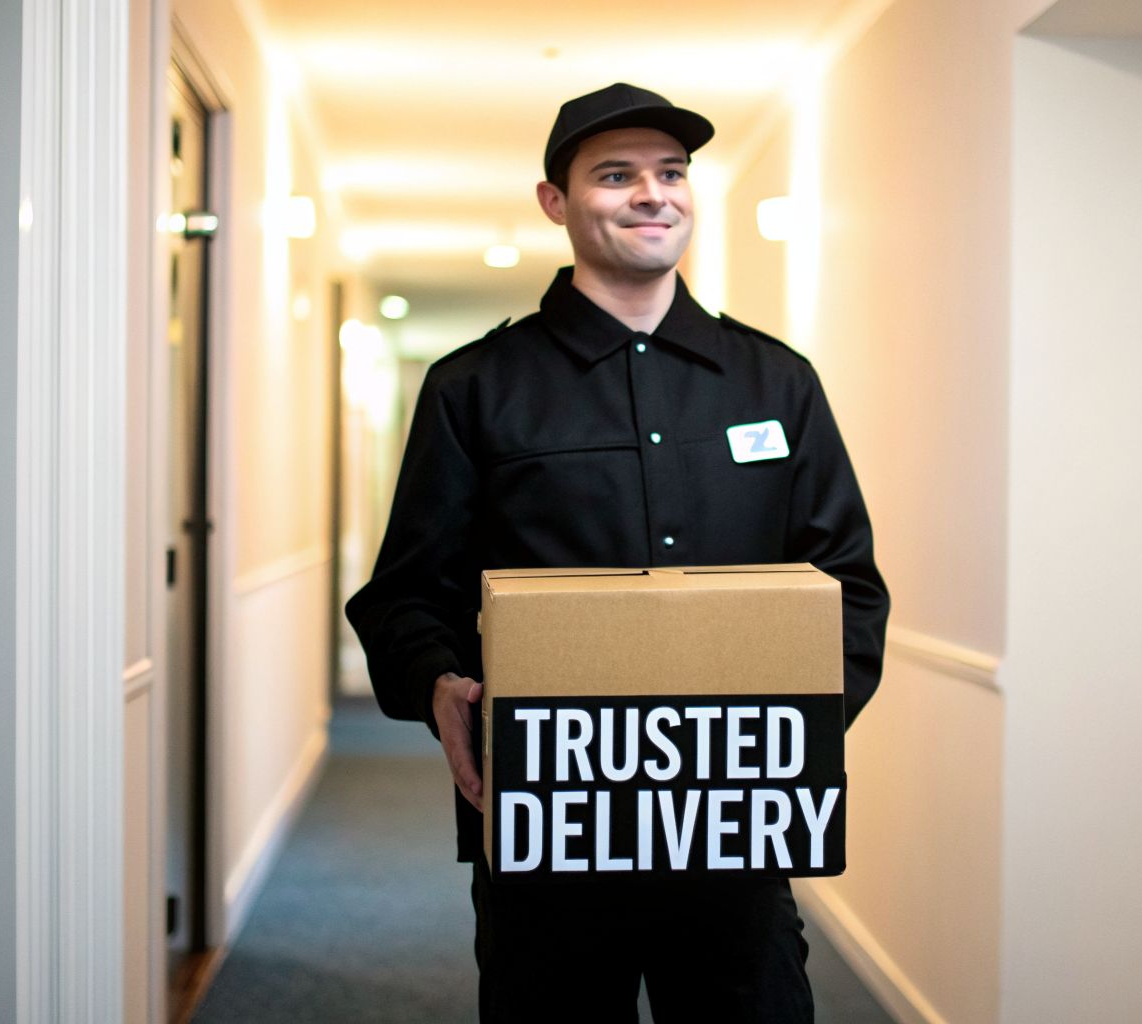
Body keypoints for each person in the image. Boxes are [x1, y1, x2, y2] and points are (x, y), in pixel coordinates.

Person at [345, 81, 888, 1021]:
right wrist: (439, 685)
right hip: (547, 842)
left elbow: (847, 587)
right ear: (555, 202)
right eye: (617, 175)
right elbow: (403, 599)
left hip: (730, 837)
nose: (654, 193)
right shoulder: (476, 387)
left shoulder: (777, 382)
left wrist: (791, 738)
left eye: (672, 172)